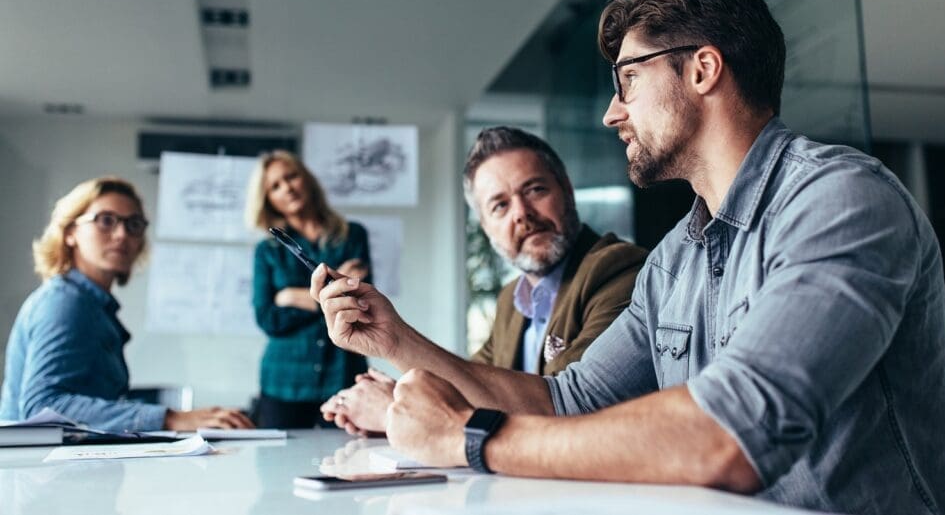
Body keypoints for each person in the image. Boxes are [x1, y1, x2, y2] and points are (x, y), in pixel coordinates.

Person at [311, 0, 945, 515]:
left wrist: (469, 438)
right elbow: (566, 400)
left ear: (702, 70)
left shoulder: (842, 200)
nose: (613, 111)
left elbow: (729, 435)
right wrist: (394, 340)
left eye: (629, 80)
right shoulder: (676, 257)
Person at [320, 127, 648, 434]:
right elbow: (470, 386)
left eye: (535, 190)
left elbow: (564, 408)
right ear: (485, 226)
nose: (521, 213)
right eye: (500, 205)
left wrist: (395, 408)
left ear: (566, 189)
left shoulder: (619, 270)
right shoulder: (512, 299)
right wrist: (399, 393)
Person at [0, 177, 253, 432]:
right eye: (106, 220)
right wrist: (170, 418)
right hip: (37, 469)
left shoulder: (93, 306)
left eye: (134, 225)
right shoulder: (65, 302)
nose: (122, 234)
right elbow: (42, 407)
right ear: (70, 233)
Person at [246, 150, 371, 428]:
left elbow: (358, 304)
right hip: (284, 382)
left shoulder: (352, 236)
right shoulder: (267, 251)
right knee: (278, 467)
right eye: (275, 186)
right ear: (268, 200)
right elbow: (267, 318)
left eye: (291, 177)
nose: (287, 187)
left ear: (307, 180)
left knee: (348, 460)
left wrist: (291, 296)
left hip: (342, 374)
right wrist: (328, 297)